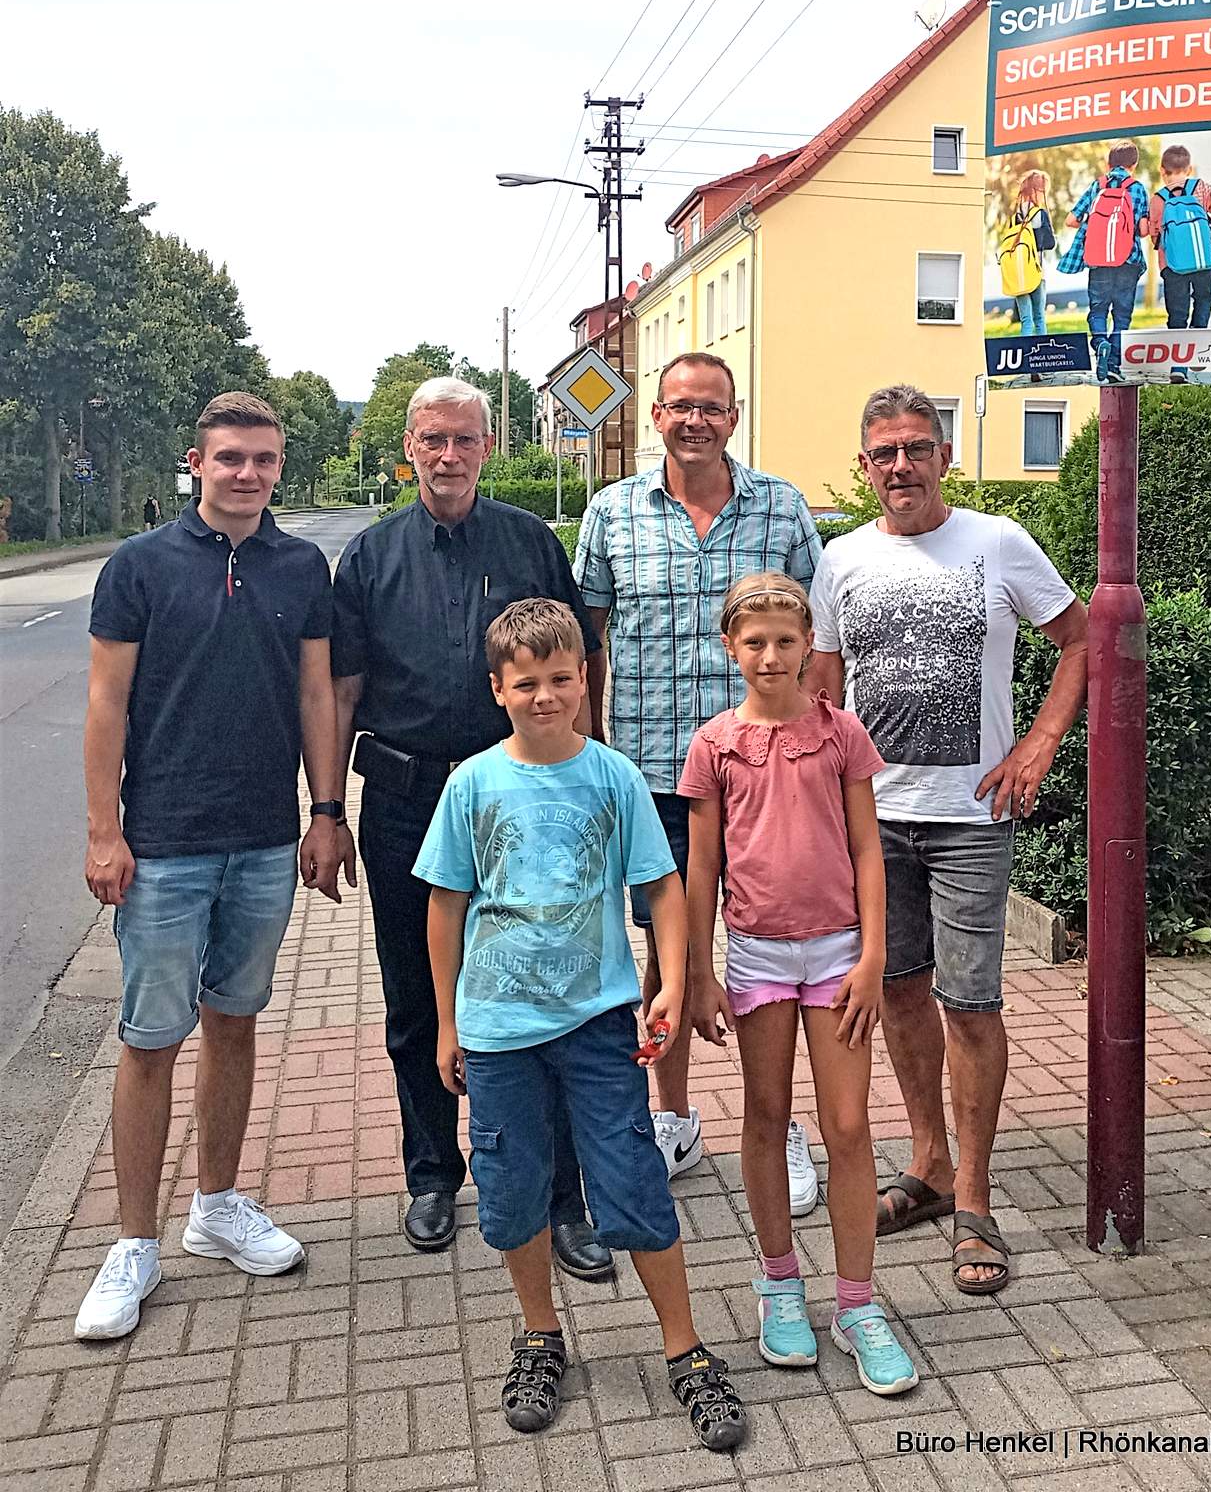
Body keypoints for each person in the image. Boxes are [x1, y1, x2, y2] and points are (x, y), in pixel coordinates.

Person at [416, 598, 748, 1451]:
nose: (545, 696)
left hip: (599, 1024)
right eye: (525, 683)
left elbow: (661, 887)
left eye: (560, 678)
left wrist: (672, 982)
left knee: (631, 1182)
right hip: (497, 1033)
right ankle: (538, 1336)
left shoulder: (613, 776)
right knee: (513, 1188)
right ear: (497, 689)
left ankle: (686, 1348)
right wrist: (449, 1023)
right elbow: (446, 907)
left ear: (582, 679)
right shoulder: (472, 784)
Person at [77, 392, 353, 1340]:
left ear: (280, 467)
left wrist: (326, 811)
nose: (248, 474)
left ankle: (217, 1206)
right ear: (196, 461)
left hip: (265, 839)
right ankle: (133, 1243)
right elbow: (105, 706)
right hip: (162, 845)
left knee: (233, 1025)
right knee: (150, 1037)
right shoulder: (139, 567)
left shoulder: (300, 564)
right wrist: (104, 831)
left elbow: (318, 691)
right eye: (230, 458)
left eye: (264, 460)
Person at [807, 386, 1087, 1294]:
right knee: (896, 993)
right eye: (883, 452)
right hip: (873, 819)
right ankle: (925, 1166)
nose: (900, 467)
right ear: (864, 467)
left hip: (972, 816)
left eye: (916, 449)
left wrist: (1040, 741)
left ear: (942, 458)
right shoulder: (840, 558)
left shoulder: (998, 541)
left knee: (970, 1005)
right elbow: (821, 689)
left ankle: (974, 1198)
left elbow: (1080, 640)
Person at [331, 376, 610, 1277]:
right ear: (407, 447)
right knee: (416, 992)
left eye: (463, 440)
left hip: (521, 802)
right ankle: (430, 1172)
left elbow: (579, 665)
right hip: (407, 802)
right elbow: (340, 689)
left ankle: (563, 1198)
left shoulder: (530, 542)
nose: (447, 456)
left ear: (486, 447)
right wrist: (327, 809)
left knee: (550, 991)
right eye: (431, 440)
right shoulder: (369, 559)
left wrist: (589, 777)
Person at [574, 352, 824, 1207]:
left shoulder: (781, 508)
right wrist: (589, 751)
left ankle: (775, 1121)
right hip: (648, 777)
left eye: (710, 408)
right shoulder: (610, 514)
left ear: (733, 414)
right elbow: (588, 643)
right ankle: (671, 1116)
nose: (695, 421)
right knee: (668, 955)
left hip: (765, 776)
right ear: (654, 415)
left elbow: (815, 640)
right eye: (679, 407)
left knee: (765, 954)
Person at [683, 574, 918, 1396]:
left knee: (848, 1126)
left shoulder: (841, 733)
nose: (772, 656)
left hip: (838, 955)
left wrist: (872, 957)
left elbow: (864, 851)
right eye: (755, 642)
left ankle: (856, 1303)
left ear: (806, 643)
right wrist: (697, 970)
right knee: (766, 1114)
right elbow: (703, 862)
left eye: (786, 641)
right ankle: (779, 1284)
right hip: (755, 955)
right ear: (730, 648)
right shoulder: (714, 745)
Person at [1059, 139, 1150, 383]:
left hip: (1099, 261)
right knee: (1122, 316)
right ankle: (1113, 365)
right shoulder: (1138, 188)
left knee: (1097, 310)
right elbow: (1143, 230)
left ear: (1108, 163)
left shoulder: (1096, 186)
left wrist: (1093, 220)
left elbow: (1071, 220)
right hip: (1128, 261)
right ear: (1134, 164)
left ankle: (1100, 342)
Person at [1149, 143, 1211, 382]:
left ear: (1162, 170)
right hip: (1204, 258)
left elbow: (1156, 235)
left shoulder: (1158, 199)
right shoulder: (1202, 188)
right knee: (1204, 299)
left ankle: (1178, 367)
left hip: (1172, 264)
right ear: (1189, 168)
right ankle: (1197, 349)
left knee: (1177, 313)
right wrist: (1208, 224)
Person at [1000, 170, 1056, 337]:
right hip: (1036, 272)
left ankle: (1025, 353)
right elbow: (1049, 244)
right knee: (1039, 318)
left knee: (1026, 319)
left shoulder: (1014, 217)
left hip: (1017, 275)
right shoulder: (1040, 214)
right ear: (1038, 192)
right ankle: (1041, 352)